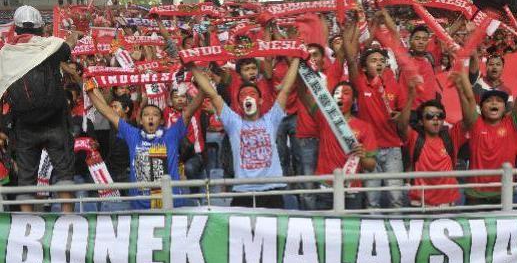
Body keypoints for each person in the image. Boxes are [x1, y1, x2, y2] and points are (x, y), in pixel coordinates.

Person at [190, 58, 299, 209]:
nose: (248, 97)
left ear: (260, 101)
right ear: (239, 103)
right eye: (243, 95)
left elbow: (286, 89)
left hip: (272, 190)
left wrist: (296, 58)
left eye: (252, 94)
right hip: (243, 191)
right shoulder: (233, 123)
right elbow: (212, 94)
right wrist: (191, 66)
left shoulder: (271, 120)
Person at [0, 5, 78, 213]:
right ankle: (68, 220)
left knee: (26, 179)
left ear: (15, 29)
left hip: (24, 126)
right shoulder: (51, 47)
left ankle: (27, 227)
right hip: (55, 123)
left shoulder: (6, 54)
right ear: (40, 28)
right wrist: (72, 34)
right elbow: (69, 47)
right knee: (64, 174)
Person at [86, 83, 203, 210]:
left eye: (155, 115)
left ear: (162, 121)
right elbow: (108, 112)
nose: (151, 117)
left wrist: (203, 88)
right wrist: (89, 90)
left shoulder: (171, 135)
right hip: (140, 209)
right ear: (141, 121)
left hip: (171, 207)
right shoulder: (133, 135)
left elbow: (189, 111)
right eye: (146, 115)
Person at [454, 43, 517, 205]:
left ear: (506, 107)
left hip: (503, 195)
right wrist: (458, 66)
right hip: (475, 196)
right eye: (488, 101)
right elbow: (467, 97)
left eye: (498, 101)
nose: (493, 103)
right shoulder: (475, 123)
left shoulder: (512, 124)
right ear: (481, 107)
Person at [343, 17, 404, 208]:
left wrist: (400, 115)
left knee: (396, 199)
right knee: (372, 201)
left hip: (393, 148)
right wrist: (356, 29)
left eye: (381, 60)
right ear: (364, 67)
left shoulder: (393, 82)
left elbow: (403, 113)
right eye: (373, 60)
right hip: (370, 149)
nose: (378, 63)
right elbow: (351, 59)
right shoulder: (360, 84)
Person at [298, 80, 378, 209]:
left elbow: (371, 166)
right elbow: (302, 93)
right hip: (326, 187)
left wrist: (362, 156)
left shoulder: (365, 127)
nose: (340, 96)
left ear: (354, 100)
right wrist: (298, 66)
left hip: (352, 189)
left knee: (351, 227)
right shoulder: (323, 118)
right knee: (325, 228)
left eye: (345, 93)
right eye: (336, 93)